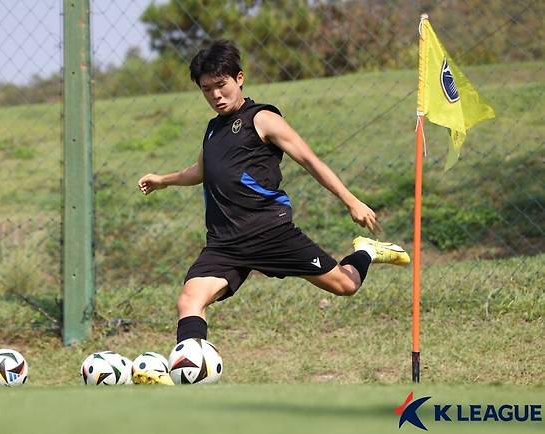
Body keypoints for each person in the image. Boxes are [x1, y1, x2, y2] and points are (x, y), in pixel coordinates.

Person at [136, 40, 409, 383]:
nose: (216, 95)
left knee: (345, 285)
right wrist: (164, 179)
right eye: (207, 89)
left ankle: (366, 252)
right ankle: (191, 376)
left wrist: (350, 200)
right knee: (189, 299)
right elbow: (202, 170)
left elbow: (310, 159)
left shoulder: (262, 118)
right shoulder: (212, 129)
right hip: (224, 243)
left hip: (270, 233)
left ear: (239, 78)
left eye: (222, 85)